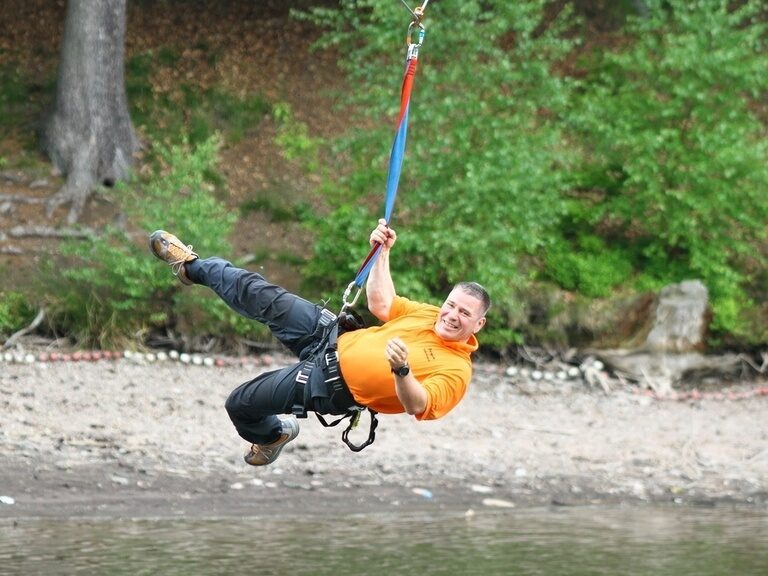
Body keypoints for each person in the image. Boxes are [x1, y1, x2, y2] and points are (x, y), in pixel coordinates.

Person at [149, 219, 490, 466]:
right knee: (259, 292)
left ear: (478, 323)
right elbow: (382, 304)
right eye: (451, 305)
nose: (451, 315)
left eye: (464, 313)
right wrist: (381, 253)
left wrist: (402, 371)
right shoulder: (429, 315)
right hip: (332, 335)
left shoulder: (456, 370)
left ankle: (272, 436)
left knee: (240, 404)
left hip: (328, 385)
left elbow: (419, 404)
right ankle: (191, 266)